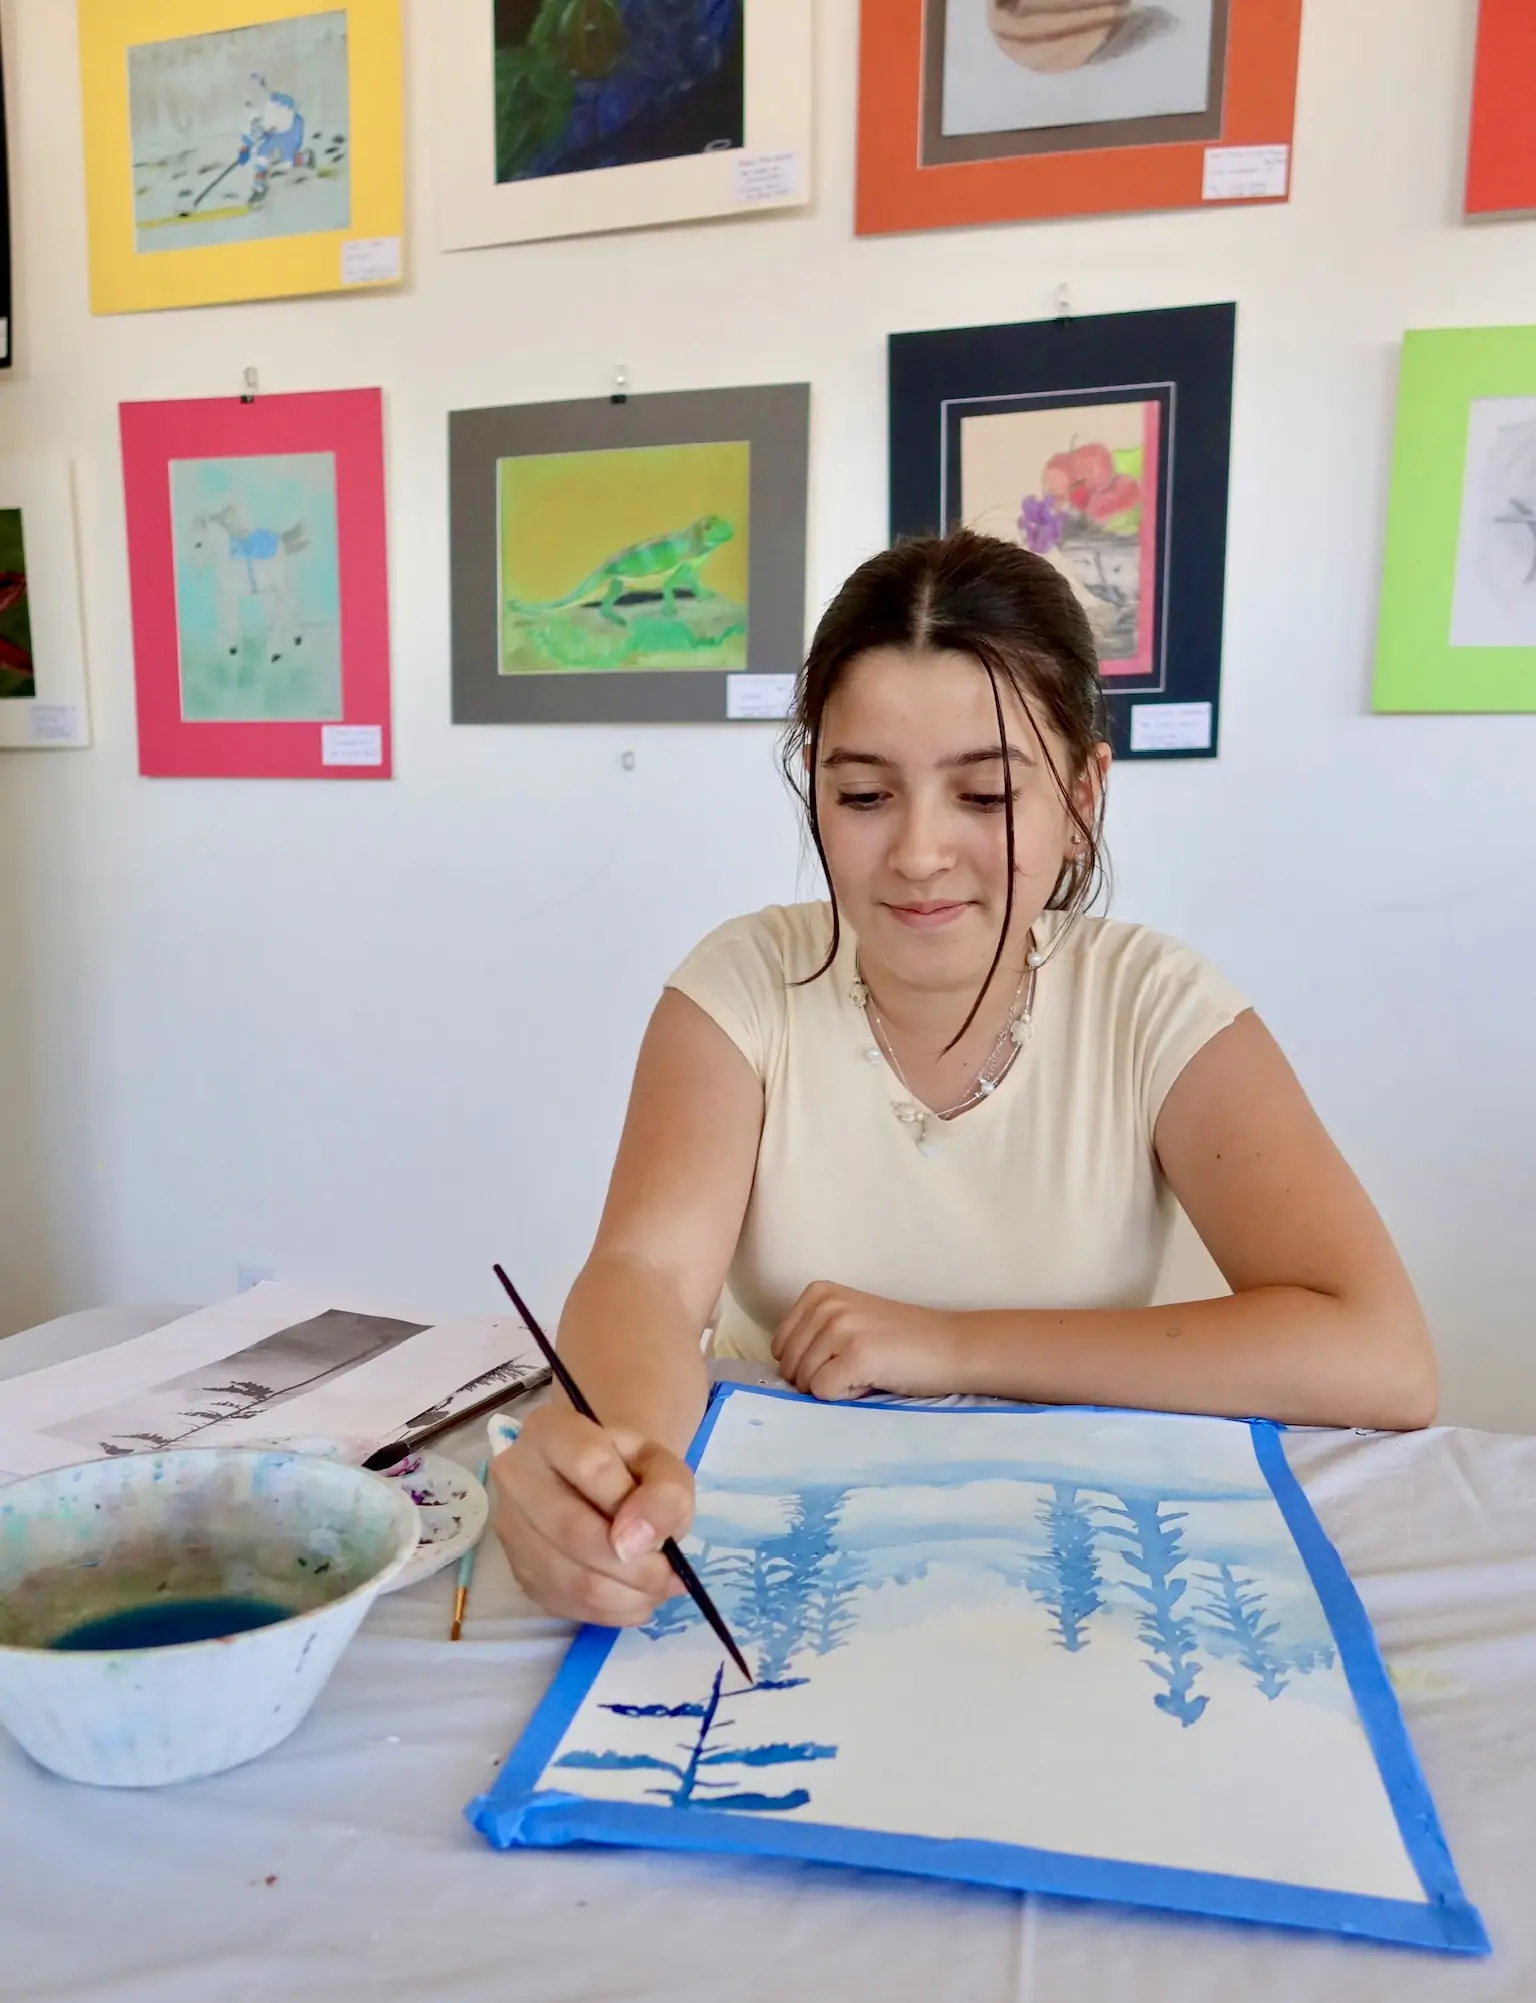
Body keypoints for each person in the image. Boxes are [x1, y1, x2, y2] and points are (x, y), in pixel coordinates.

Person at [493, 529, 1437, 1629]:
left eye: (984, 796)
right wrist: (617, 1459)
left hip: (1076, 1566)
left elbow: (1380, 1352)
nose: (920, 852)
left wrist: (952, 1343)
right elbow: (646, 1279)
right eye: (864, 796)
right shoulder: (742, 984)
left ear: (1083, 792)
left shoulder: (1156, 1005)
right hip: (783, 1545)